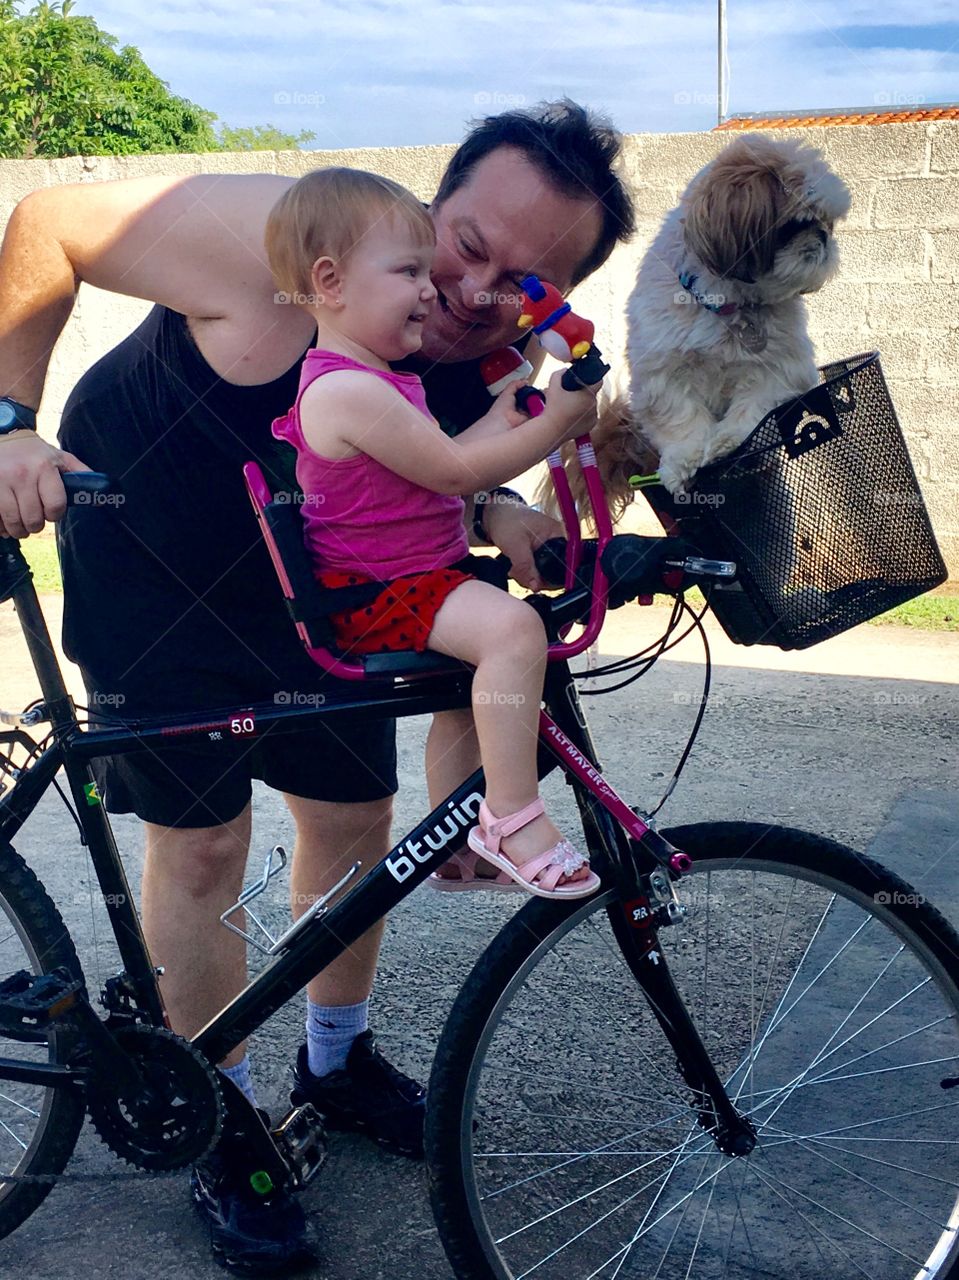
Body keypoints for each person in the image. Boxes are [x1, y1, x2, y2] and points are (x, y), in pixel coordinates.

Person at [0, 100, 635, 1273]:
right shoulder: (283, 242)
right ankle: (222, 1106)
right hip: (148, 545)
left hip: (322, 579)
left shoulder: (485, 361)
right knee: (202, 847)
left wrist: (503, 519)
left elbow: (444, 542)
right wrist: (7, 422)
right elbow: (49, 223)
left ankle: (333, 1061)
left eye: (521, 280)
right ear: (426, 208)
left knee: (351, 817)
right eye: (465, 241)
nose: (473, 286)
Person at [267, 167, 603, 898]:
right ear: (329, 282)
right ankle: (508, 819)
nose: (431, 288)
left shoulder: (381, 378)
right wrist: (555, 422)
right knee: (512, 633)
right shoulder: (346, 390)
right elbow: (452, 472)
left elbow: (459, 447)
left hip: (416, 578)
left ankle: (458, 842)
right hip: (378, 592)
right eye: (408, 271)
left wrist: (516, 408)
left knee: (480, 665)